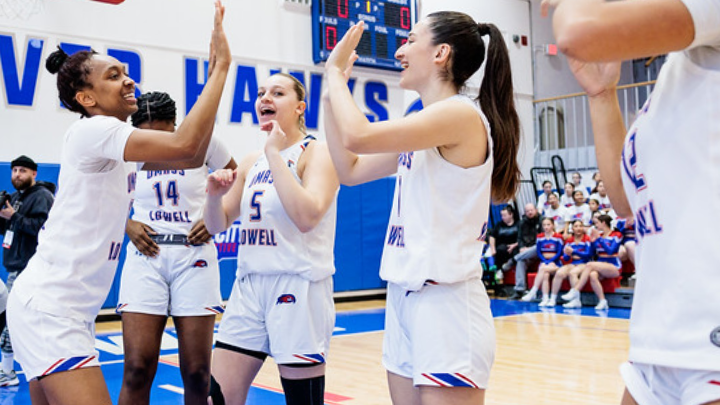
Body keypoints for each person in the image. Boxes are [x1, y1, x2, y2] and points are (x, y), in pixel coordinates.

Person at [546, 0, 720, 403]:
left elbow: (577, 32)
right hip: (660, 339)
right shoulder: (677, 76)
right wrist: (601, 95)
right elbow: (624, 199)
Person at [5, 4, 231, 404]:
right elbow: (186, 144)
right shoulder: (96, 130)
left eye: (127, 73)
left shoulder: (110, 141)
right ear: (86, 97)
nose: (129, 82)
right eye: (114, 76)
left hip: (58, 310)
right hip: (51, 310)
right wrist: (220, 71)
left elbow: (191, 156)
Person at [323, 11, 521, 404]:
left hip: (445, 304)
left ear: (440, 53)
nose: (400, 49)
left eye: (411, 40)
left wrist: (331, 72)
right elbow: (350, 168)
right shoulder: (426, 120)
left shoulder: (460, 114)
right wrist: (332, 96)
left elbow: (358, 136)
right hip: (404, 297)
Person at [202, 72, 339, 405]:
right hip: (249, 285)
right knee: (215, 397)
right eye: (262, 92)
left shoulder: (316, 152)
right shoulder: (251, 161)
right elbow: (217, 225)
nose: (265, 98)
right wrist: (212, 196)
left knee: (302, 400)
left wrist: (276, 153)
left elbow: (307, 218)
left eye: (277, 93)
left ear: (299, 107)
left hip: (297, 285)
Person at [116, 92, 236, 405]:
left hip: (194, 256)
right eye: (147, 132)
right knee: (136, 368)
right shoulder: (128, 147)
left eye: (162, 131)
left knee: (197, 372)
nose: (154, 139)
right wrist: (126, 224)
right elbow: (98, 196)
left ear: (175, 124)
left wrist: (213, 215)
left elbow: (239, 181)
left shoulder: (204, 142)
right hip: (146, 257)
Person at [0, 155, 55, 387]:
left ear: (34, 173)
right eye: (14, 171)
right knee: (23, 321)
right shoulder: (14, 197)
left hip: (30, 268)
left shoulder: (42, 196)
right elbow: (9, 230)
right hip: (14, 265)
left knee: (11, 321)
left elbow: (42, 229)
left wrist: (14, 216)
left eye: (22, 171)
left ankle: (7, 372)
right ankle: (18, 369)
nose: (17, 175)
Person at [562, 214, 621, 309]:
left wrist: (599, 239)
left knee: (589, 265)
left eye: (597, 223)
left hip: (613, 265)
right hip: (600, 265)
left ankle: (575, 290)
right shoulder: (599, 236)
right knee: (592, 275)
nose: (595, 225)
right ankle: (602, 301)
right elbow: (591, 253)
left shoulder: (616, 235)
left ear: (603, 223)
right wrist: (593, 242)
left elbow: (611, 251)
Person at [547, 219, 592, 307]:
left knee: (572, 273)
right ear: (572, 229)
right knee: (559, 272)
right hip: (573, 263)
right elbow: (566, 258)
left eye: (580, 226)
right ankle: (552, 298)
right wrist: (567, 254)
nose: (578, 228)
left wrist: (574, 252)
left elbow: (588, 254)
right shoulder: (569, 240)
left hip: (585, 263)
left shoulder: (587, 239)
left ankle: (576, 300)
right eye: (576, 226)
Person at [520, 217, 564, 305]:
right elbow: (539, 251)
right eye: (544, 225)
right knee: (545, 274)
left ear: (553, 225)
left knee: (543, 269)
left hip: (555, 263)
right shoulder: (540, 237)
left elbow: (560, 252)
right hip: (544, 262)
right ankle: (545, 298)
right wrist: (545, 261)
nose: (546, 227)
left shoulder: (558, 237)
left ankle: (533, 291)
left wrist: (551, 260)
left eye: (548, 225)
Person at [508, 203, 542, 297]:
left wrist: (529, 248)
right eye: (527, 211)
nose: (530, 212)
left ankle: (513, 260)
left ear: (535, 210)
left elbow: (542, 239)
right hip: (527, 252)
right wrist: (522, 247)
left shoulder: (542, 221)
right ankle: (519, 290)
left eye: (531, 210)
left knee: (536, 247)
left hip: (538, 249)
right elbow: (519, 238)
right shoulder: (522, 222)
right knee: (521, 261)